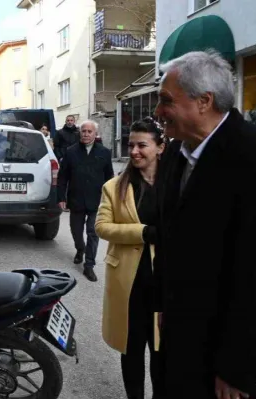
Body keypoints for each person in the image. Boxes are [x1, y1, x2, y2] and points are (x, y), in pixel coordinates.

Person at [153, 50, 256, 398]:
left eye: (165, 101)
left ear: (203, 101)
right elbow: (169, 236)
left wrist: (239, 368)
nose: (157, 112)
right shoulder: (177, 152)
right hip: (184, 344)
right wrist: (164, 303)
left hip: (233, 365)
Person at [96, 117, 165, 399]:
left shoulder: (175, 184)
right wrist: (144, 232)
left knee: (163, 351)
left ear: (160, 148)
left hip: (165, 284)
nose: (134, 151)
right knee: (132, 348)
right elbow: (102, 227)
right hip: (130, 285)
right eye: (131, 145)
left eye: (142, 145)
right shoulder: (115, 187)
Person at [57, 120, 115, 282]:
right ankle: (79, 249)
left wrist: (111, 198)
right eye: (84, 131)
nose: (86, 134)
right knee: (76, 231)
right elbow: (63, 177)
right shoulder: (71, 152)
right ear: (79, 133)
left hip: (96, 200)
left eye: (90, 131)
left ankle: (89, 265)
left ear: (95, 134)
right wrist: (61, 197)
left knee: (93, 232)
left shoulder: (104, 152)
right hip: (76, 199)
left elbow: (110, 177)